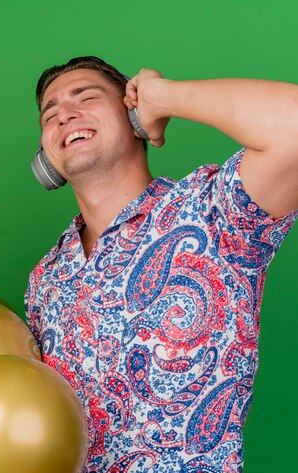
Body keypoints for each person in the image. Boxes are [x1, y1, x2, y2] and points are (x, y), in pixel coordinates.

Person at [24, 56, 298, 473]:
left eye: (86, 97)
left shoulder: (210, 215)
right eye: (50, 112)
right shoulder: (45, 280)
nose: (65, 114)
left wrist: (164, 97)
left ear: (133, 115)